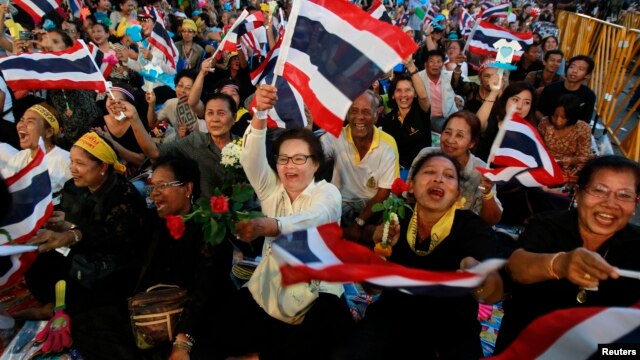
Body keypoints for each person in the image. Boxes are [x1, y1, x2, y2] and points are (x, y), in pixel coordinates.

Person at [214, 84, 352, 360]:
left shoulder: (327, 193)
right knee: (220, 330)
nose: (290, 166)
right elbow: (251, 159)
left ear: (316, 163)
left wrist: (272, 225)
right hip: (271, 285)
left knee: (326, 331)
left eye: (300, 159)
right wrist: (260, 113)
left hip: (316, 292)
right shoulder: (271, 188)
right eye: (284, 159)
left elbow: (316, 216)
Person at [336, 152, 503, 359]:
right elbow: (371, 288)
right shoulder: (396, 217)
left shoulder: (472, 227)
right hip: (393, 317)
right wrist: (380, 256)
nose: (438, 179)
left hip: (452, 329)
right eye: (430, 172)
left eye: (449, 176)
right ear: (412, 186)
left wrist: (477, 275)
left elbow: (493, 291)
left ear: (458, 193)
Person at [494, 155, 640, 354]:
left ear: (636, 203)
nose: (610, 203)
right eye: (599, 190)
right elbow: (516, 267)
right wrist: (560, 264)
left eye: (624, 195)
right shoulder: (546, 225)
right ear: (578, 194)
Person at [27, 131, 147, 359]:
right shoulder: (75, 187)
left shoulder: (124, 196)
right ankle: (53, 305)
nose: (72, 168)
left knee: (89, 319)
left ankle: (59, 309)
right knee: (36, 259)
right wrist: (62, 224)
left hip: (115, 270)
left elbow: (109, 235)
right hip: (82, 256)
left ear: (102, 167)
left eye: (80, 163)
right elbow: (75, 222)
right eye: (72, 161)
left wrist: (72, 235)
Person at [141, 155, 236, 359]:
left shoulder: (209, 230)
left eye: (163, 185)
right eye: (152, 187)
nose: (155, 193)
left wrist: (183, 341)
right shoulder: (153, 224)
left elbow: (205, 291)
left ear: (188, 189)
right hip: (157, 314)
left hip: (202, 321)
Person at [320, 90, 399, 242]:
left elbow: (384, 191)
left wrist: (359, 223)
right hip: (340, 204)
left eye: (366, 112)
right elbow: (311, 156)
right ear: (347, 114)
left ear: (377, 115)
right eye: (354, 111)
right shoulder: (334, 136)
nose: (359, 117)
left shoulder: (387, 144)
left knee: (380, 233)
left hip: (372, 205)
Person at [127, 92, 237, 197]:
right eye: (210, 113)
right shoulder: (194, 141)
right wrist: (134, 118)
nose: (215, 119)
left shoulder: (245, 145)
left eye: (221, 113)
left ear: (234, 118)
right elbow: (154, 152)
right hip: (204, 212)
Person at [410, 111, 503, 225]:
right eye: (447, 132)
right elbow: (409, 195)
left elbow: (491, 220)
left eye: (459, 135)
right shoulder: (426, 156)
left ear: (472, 143)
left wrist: (487, 192)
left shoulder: (481, 171)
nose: (450, 140)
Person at [3, 103, 71, 198]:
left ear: (48, 132)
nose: (21, 125)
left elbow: (74, 197)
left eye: (30, 122)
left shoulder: (65, 160)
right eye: (21, 120)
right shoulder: (19, 157)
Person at [379, 58, 431, 169]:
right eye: (398, 90)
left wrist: (410, 65)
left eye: (408, 90)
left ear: (415, 93)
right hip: (396, 170)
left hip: (422, 169)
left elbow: (423, 96)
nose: (403, 95)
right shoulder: (387, 120)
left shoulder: (421, 111)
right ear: (392, 95)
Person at [474, 81, 537, 162]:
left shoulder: (531, 134)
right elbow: (478, 124)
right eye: (515, 99)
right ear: (505, 100)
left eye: (527, 102)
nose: (520, 106)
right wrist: (494, 93)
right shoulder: (493, 121)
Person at [538, 94, 593, 186]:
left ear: (572, 117)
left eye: (563, 117)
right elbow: (537, 145)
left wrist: (568, 161)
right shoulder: (545, 123)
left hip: (569, 170)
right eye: (555, 116)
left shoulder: (582, 128)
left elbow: (584, 157)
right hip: (545, 165)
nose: (558, 121)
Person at [94, 84, 147, 178]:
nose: (113, 104)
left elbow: (141, 160)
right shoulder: (98, 123)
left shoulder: (137, 124)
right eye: (110, 99)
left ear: (129, 105)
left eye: (120, 101)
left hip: (131, 176)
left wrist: (112, 143)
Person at [537, 55, 597, 125]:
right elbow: (538, 111)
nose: (574, 71)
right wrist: (548, 126)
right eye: (572, 67)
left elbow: (585, 121)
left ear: (587, 75)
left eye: (581, 69)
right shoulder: (551, 88)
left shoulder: (589, 95)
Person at [418, 49, 462, 133]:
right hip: (430, 118)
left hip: (451, 116)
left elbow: (460, 84)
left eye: (439, 61)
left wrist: (459, 98)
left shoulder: (448, 76)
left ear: (442, 65)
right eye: (432, 61)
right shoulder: (418, 78)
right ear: (425, 64)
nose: (435, 65)